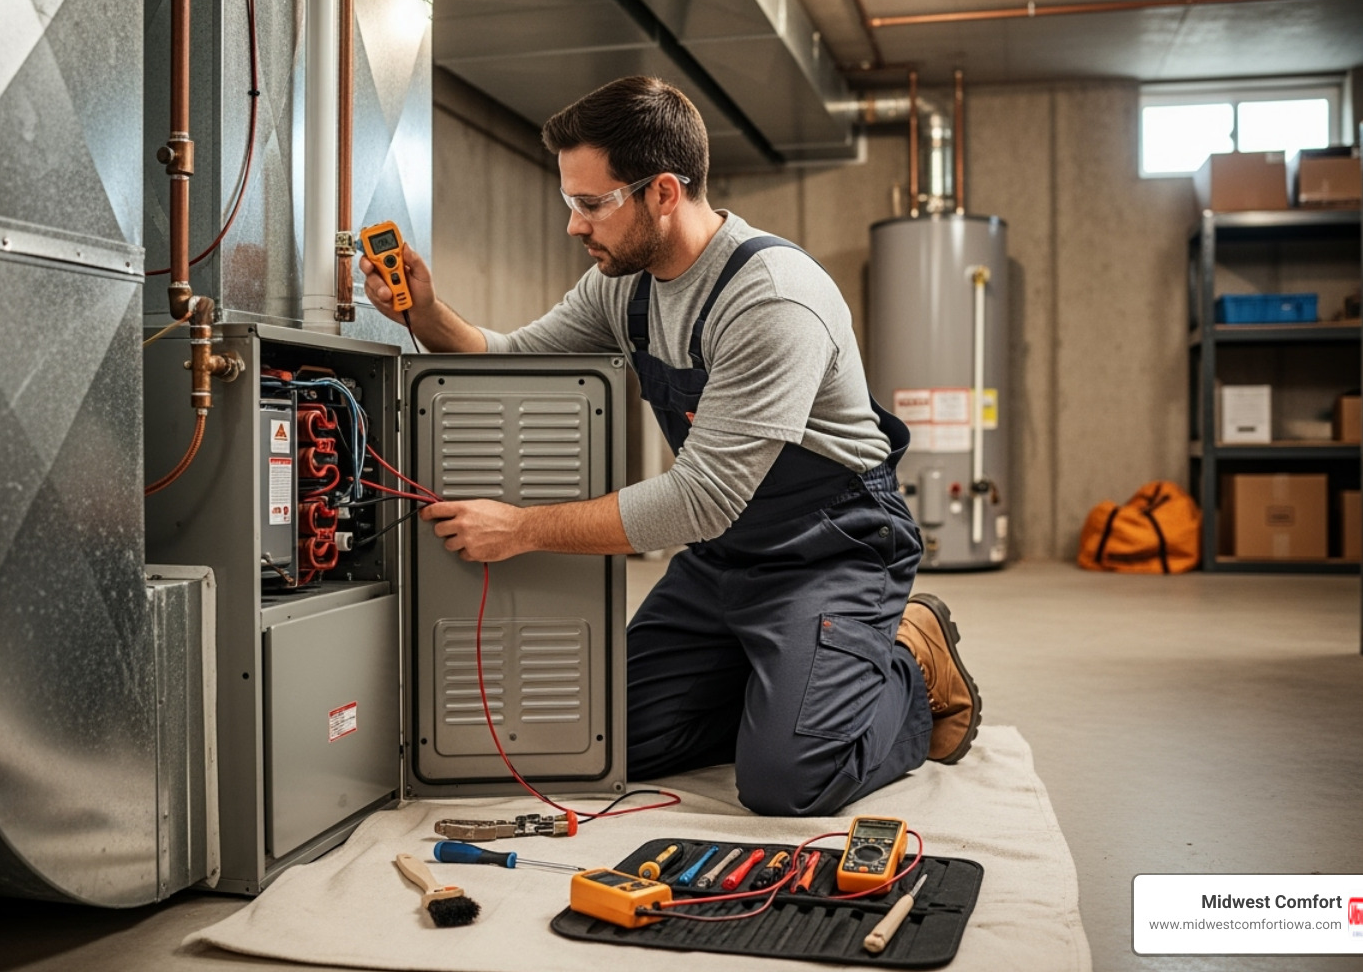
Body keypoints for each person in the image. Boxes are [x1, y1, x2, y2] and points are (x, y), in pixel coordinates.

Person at [362, 75, 980, 817]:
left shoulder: (771, 298)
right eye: (571, 202)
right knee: (604, 742)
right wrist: (425, 315)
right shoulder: (625, 286)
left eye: (592, 204)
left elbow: (701, 499)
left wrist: (523, 528)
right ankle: (790, 688)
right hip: (726, 559)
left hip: (830, 550)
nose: (574, 226)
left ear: (662, 192)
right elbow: (511, 360)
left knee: (789, 781)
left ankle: (908, 660)